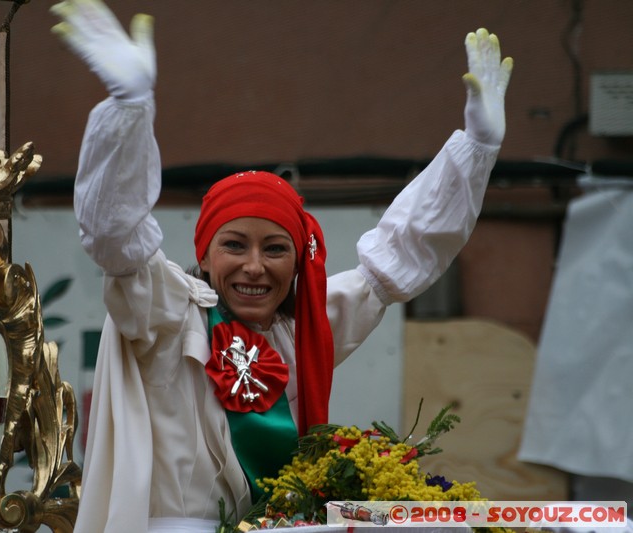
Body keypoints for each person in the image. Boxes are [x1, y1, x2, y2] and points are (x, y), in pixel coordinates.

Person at [50, 1, 513, 531]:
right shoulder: (169, 313)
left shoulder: (306, 331)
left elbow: (400, 254)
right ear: (202, 254)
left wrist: (475, 152)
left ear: (298, 262)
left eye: (275, 249)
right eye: (234, 246)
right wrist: (128, 110)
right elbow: (116, 236)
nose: (254, 267)